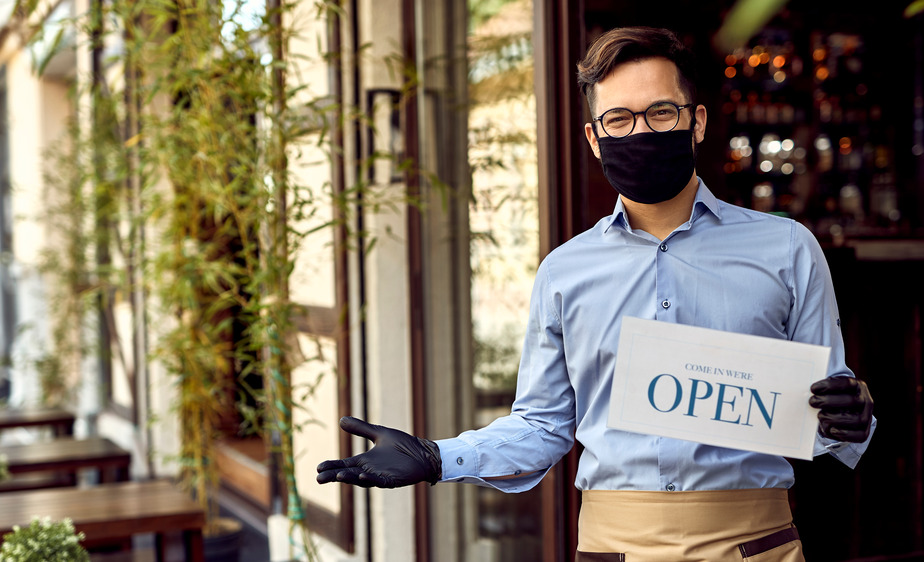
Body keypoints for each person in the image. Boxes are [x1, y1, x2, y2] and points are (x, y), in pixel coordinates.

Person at [317, 26, 875, 562]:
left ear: (697, 122)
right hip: (615, 548)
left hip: (755, 544)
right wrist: (438, 458)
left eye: (662, 112)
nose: (642, 132)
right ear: (594, 136)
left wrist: (851, 415)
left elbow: (824, 411)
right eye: (618, 119)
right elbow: (543, 426)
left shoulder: (787, 249)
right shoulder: (564, 272)